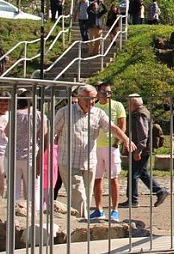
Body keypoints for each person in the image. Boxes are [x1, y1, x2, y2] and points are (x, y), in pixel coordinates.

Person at [52, 84, 135, 219]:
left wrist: (125, 139)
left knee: (86, 197)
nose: (91, 102)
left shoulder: (98, 113)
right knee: (79, 197)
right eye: (87, 99)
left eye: (93, 99)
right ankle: (80, 226)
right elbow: (52, 133)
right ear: (79, 98)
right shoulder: (64, 112)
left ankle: (76, 225)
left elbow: (113, 127)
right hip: (68, 162)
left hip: (89, 163)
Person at [120, 94, 168, 209]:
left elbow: (143, 133)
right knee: (142, 173)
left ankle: (133, 200)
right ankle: (160, 191)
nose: (126, 105)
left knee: (133, 174)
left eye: (128, 102)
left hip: (140, 149)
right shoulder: (142, 112)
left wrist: (139, 150)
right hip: (141, 148)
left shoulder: (140, 114)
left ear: (133, 104)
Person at [89, 82, 126, 222]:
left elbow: (122, 124)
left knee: (113, 177)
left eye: (109, 92)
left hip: (111, 146)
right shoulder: (95, 106)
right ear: (99, 93)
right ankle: (98, 209)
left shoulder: (117, 105)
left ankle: (115, 209)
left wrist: (117, 143)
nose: (107, 95)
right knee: (97, 178)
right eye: (104, 92)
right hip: (96, 146)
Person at [12, 89, 47, 209]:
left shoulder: (14, 114)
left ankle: (14, 215)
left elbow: (6, 132)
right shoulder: (39, 115)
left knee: (14, 188)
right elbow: (43, 136)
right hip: (31, 155)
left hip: (13, 155)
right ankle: (35, 215)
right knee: (35, 189)